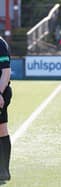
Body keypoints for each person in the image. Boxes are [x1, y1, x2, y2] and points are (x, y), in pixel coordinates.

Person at [0, 36, 12, 181]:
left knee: (1, 129)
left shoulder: (0, 44)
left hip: (1, 92)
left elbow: (6, 71)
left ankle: (3, 171)